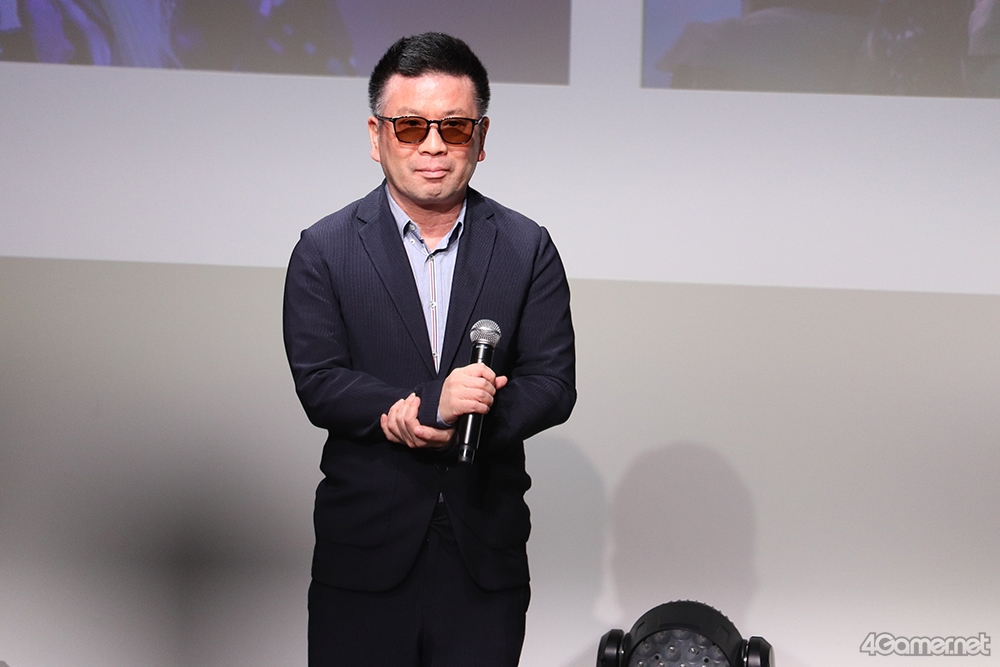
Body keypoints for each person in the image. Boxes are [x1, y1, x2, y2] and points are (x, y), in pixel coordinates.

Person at [282, 32, 576, 667]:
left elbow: (553, 384)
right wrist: (424, 406)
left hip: (483, 555)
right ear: (376, 136)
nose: (434, 146)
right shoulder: (324, 248)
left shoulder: (527, 247)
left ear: (481, 137)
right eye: (411, 126)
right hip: (363, 557)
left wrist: (475, 415)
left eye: (455, 127)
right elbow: (320, 380)